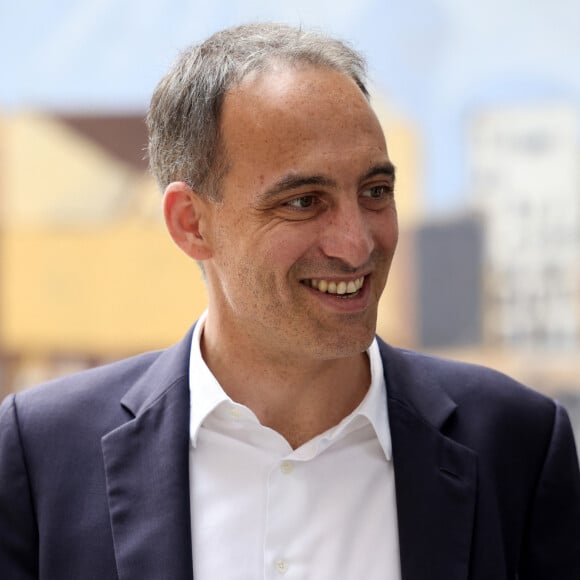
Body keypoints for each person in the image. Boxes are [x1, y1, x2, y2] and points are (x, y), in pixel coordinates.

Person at [0, 22, 579, 580]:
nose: (356, 245)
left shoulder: (515, 442)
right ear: (190, 223)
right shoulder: (43, 453)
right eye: (303, 202)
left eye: (375, 192)